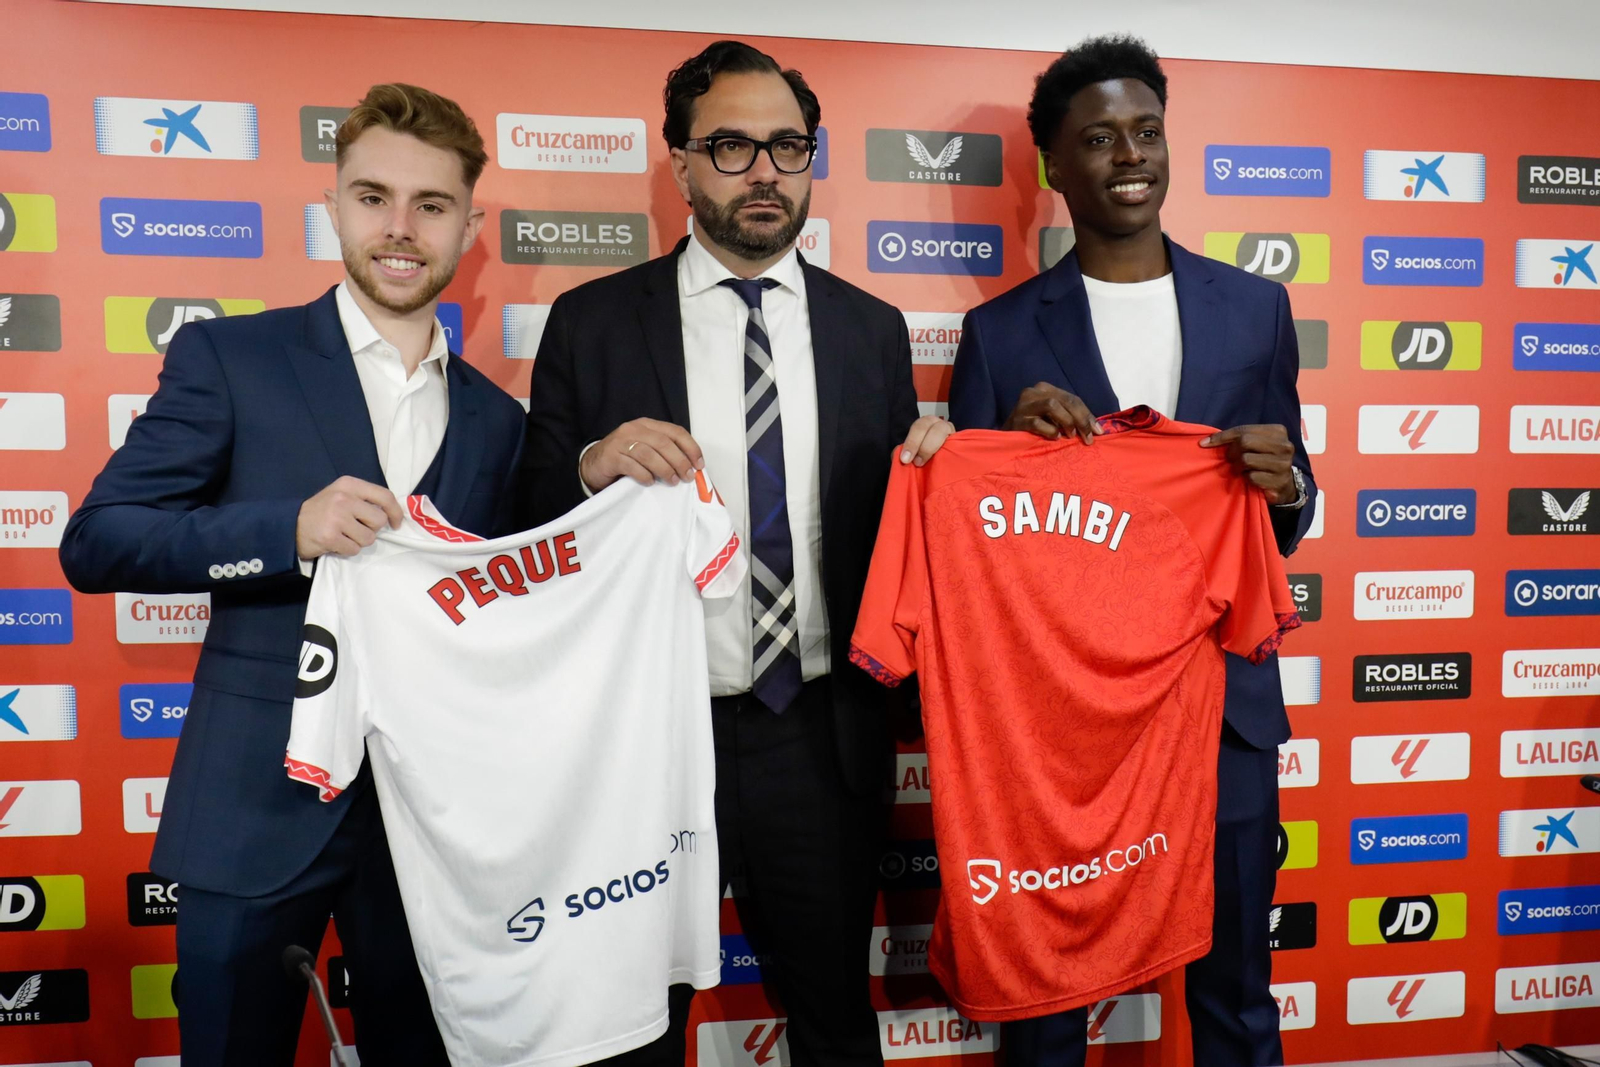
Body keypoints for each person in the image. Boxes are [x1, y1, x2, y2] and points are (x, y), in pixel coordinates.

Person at [59, 83, 525, 1067]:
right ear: (335, 205)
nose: (399, 228)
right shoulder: (233, 357)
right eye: (373, 197)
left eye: (431, 205)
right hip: (251, 804)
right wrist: (290, 530)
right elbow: (99, 541)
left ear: (468, 226)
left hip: (433, 826)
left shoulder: (498, 419)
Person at [519, 39, 951, 1067]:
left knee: (835, 1023)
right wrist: (591, 463)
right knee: (634, 1026)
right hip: (646, 738)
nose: (764, 171)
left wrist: (935, 482)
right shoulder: (590, 324)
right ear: (679, 164)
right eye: (730, 146)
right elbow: (520, 519)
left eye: (787, 146)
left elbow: (896, 542)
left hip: (819, 730)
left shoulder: (872, 331)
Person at [948, 36, 1316, 1067]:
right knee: (1047, 989)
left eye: (1145, 130)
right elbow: (971, 550)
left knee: (1237, 984)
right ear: (1054, 166)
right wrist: (1008, 452)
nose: (1128, 154)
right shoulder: (1002, 336)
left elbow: (1292, 504)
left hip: (1222, 704)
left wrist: (1284, 481)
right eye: (1098, 137)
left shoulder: (1253, 306)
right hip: (1065, 730)